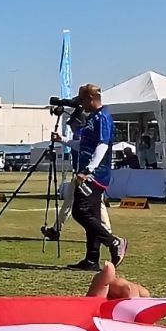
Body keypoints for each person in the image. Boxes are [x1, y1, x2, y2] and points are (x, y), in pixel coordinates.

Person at [67, 84, 126, 271]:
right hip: (88, 172)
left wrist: (88, 170)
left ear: (91, 98)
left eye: (82, 100)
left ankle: (114, 242)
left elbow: (102, 146)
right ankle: (92, 259)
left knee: (80, 211)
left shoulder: (103, 117)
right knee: (90, 214)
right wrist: (63, 141)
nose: (81, 104)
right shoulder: (91, 118)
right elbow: (84, 147)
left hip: (95, 174)